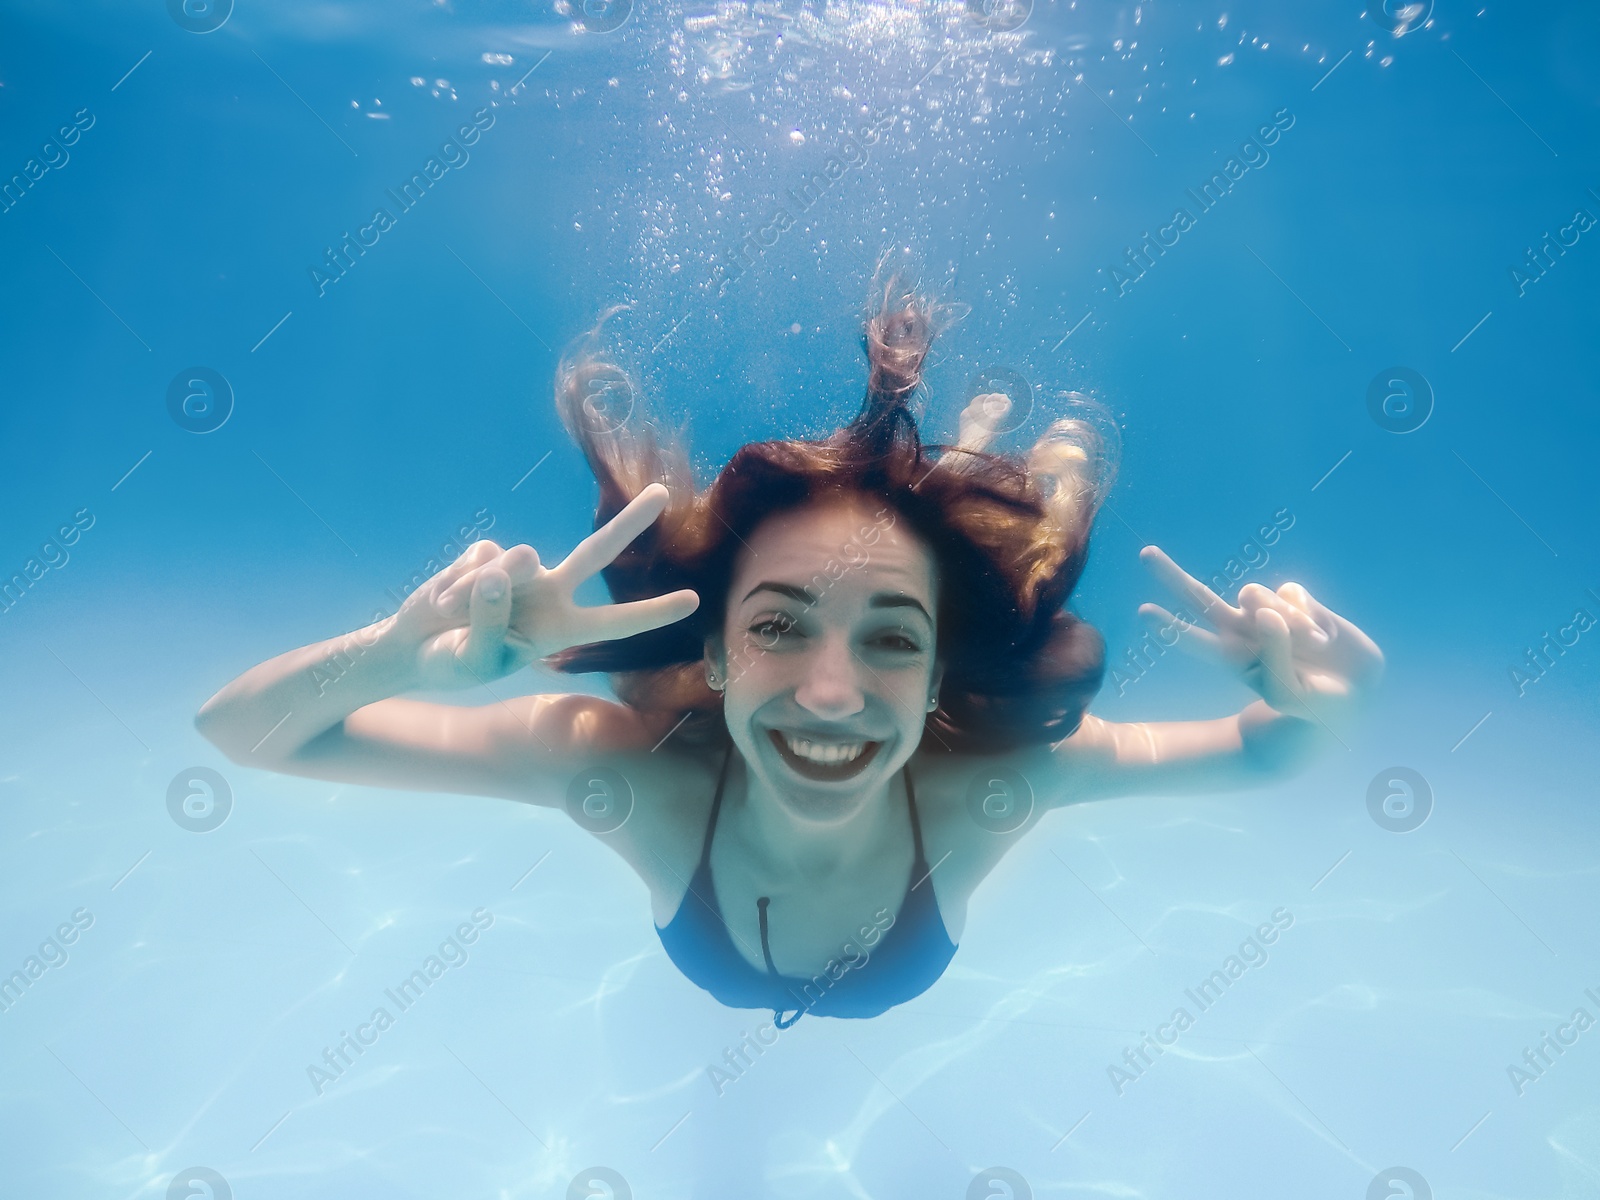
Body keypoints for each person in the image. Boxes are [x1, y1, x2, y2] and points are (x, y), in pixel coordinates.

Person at [195, 271, 1384, 1030]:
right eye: (775, 625)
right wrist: (403, 654)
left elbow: (1263, 751)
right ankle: (958, 446)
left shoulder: (988, 789)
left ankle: (962, 445)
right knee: (953, 487)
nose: (830, 693)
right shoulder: (620, 774)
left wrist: (1327, 702)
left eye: (891, 639)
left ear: (934, 679)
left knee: (963, 489)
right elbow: (234, 734)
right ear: (708, 653)